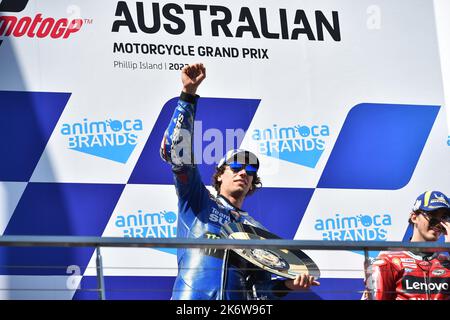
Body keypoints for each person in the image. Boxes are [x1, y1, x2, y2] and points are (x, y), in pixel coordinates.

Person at [160, 63, 320, 300]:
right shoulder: (198, 201)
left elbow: (260, 293)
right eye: (235, 166)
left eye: (250, 170)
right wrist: (188, 96)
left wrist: (287, 286)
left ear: (254, 181)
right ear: (219, 174)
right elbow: (176, 152)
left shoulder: (256, 231)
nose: (243, 172)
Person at [363, 190, 450, 300]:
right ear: (414, 217)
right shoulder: (389, 262)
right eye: (432, 216)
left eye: (444, 218)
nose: (438, 224)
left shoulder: (447, 263)